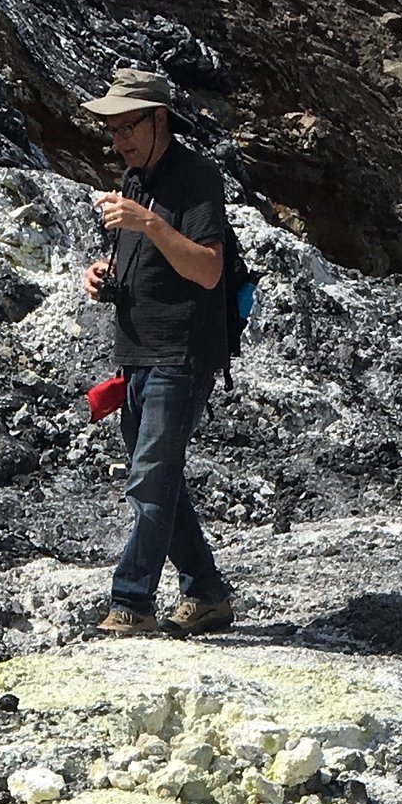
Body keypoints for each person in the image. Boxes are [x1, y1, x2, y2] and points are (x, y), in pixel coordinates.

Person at [78, 63, 235, 636]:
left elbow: (209, 269)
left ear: (158, 119)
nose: (116, 139)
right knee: (162, 480)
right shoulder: (134, 182)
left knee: (150, 478)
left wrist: (149, 224)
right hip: (136, 353)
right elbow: (137, 262)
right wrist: (101, 274)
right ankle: (208, 594)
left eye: (125, 127)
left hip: (182, 354)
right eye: (111, 129)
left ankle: (131, 602)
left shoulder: (197, 179)